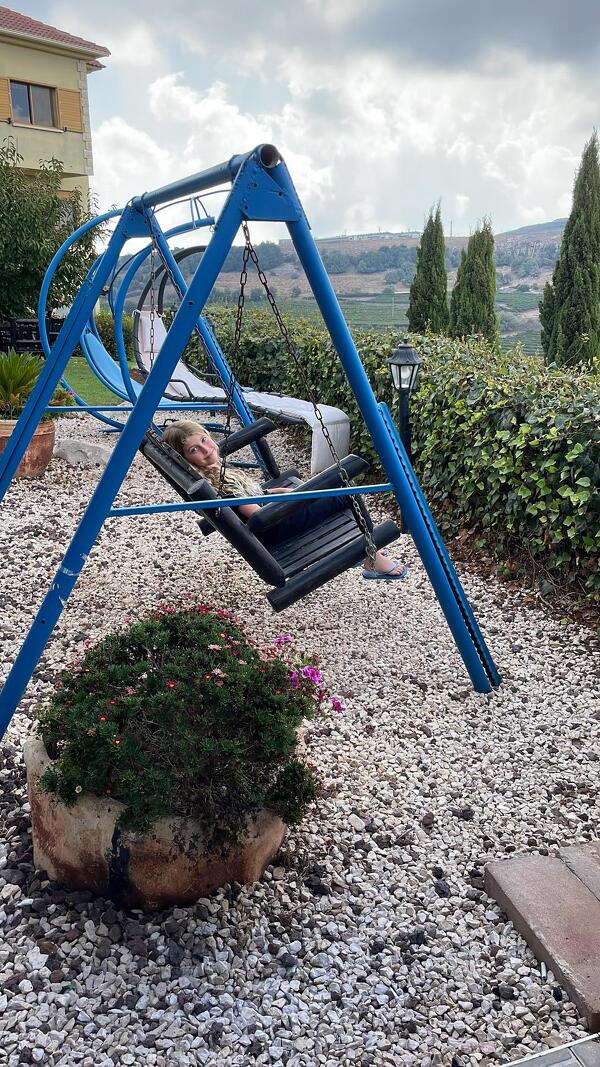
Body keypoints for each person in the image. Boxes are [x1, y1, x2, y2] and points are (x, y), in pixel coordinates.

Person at [162, 420, 408, 579]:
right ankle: (371, 556)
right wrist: (294, 501)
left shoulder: (213, 473)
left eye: (204, 440)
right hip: (275, 527)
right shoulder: (221, 484)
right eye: (194, 450)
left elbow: (251, 499)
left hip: (273, 519)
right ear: (186, 459)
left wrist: (277, 493)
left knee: (311, 489)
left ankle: (360, 549)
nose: (206, 450)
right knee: (344, 490)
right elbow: (256, 515)